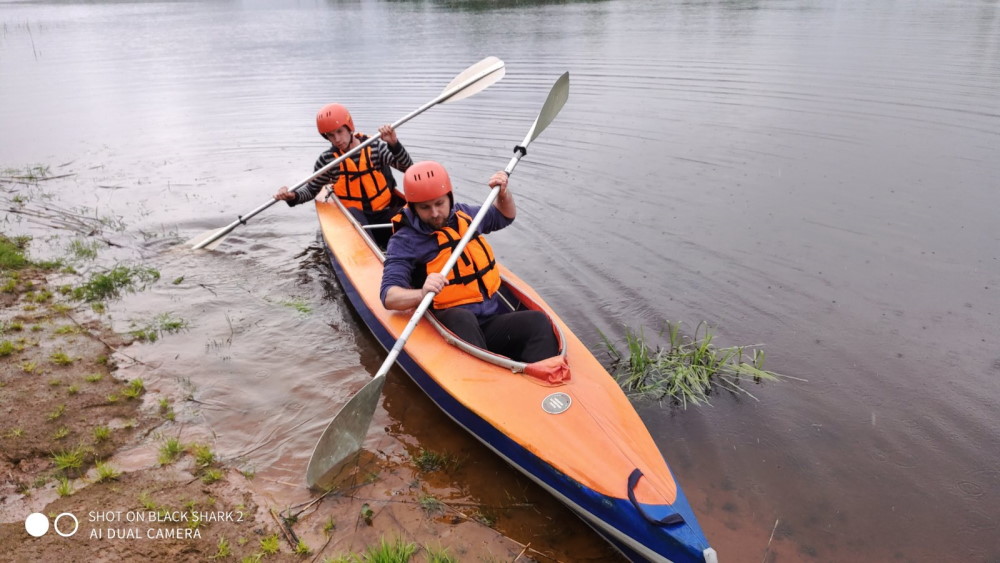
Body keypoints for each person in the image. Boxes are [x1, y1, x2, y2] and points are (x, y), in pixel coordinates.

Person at [380, 160, 559, 364]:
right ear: (413, 207)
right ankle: (486, 377)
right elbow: (389, 297)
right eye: (425, 208)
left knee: (537, 321)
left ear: (449, 197)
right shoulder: (404, 241)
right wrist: (421, 292)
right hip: (450, 326)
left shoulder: (465, 214)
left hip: (490, 321)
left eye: (439, 203)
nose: (435, 213)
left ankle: (539, 383)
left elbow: (505, 215)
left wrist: (503, 194)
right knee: (462, 318)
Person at [274, 103, 413, 247]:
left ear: (349, 127)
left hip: (383, 214)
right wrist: (292, 196)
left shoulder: (375, 147)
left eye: (340, 131)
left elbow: (408, 168)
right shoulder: (328, 160)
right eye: (331, 135)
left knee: (414, 213)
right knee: (354, 213)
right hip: (353, 219)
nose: (337, 139)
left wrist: (394, 144)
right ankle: (370, 249)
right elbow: (310, 190)